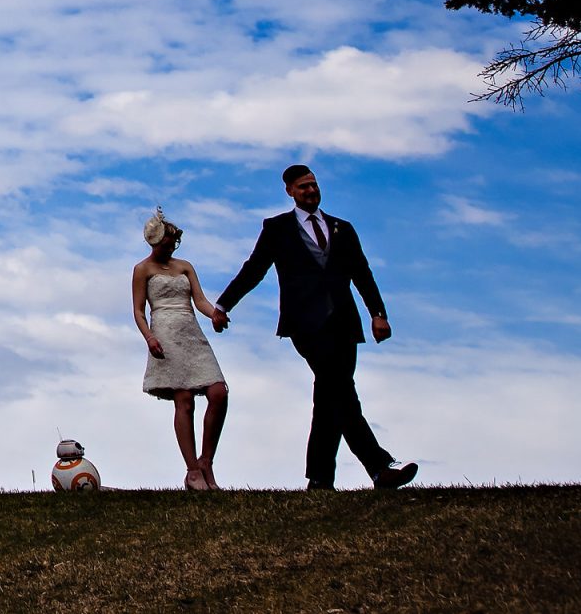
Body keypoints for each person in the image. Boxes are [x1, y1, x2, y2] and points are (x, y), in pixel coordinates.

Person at [214, 164, 417, 491]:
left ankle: (320, 479)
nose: (310, 191)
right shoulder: (277, 228)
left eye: (313, 185)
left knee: (331, 395)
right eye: (303, 187)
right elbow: (254, 269)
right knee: (339, 389)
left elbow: (362, 274)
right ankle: (379, 466)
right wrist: (223, 305)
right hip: (305, 324)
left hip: (344, 323)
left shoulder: (343, 229)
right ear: (290, 191)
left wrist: (377, 313)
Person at [131, 208, 231, 490]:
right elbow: (139, 310)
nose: (171, 247)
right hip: (164, 331)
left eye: (174, 243)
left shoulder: (185, 266)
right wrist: (149, 337)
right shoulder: (142, 270)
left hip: (191, 331)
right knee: (184, 399)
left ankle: (206, 460)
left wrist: (214, 314)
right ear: (155, 243)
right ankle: (192, 471)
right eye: (166, 243)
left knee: (218, 392)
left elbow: (199, 299)